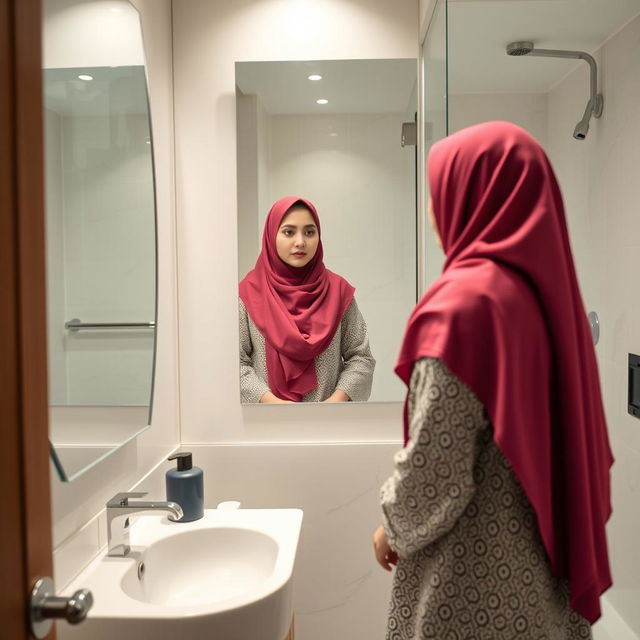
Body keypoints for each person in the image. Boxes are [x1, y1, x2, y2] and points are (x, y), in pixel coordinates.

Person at [372, 121, 613, 638]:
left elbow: (437, 463)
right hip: (542, 576)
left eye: (441, 189)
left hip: (470, 582)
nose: (434, 209)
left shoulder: (464, 306)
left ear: (475, 193)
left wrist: (392, 525)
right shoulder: (543, 299)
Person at [239, 196, 375, 403]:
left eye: (310, 232)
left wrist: (336, 401)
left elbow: (361, 357)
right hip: (266, 425)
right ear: (270, 235)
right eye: (288, 232)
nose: (300, 242)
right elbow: (235, 363)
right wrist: (270, 402)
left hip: (330, 424)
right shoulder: (249, 293)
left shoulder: (338, 292)